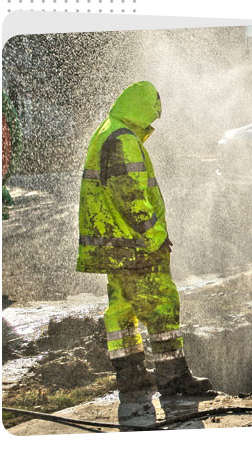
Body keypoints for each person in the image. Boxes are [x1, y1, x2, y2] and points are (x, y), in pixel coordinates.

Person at [77, 81, 215, 396]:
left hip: (114, 243)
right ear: (141, 107)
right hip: (136, 244)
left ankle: (131, 375)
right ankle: (173, 378)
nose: (154, 121)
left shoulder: (106, 131)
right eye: (153, 112)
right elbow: (130, 195)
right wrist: (154, 236)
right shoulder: (123, 139)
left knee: (122, 308)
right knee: (162, 303)